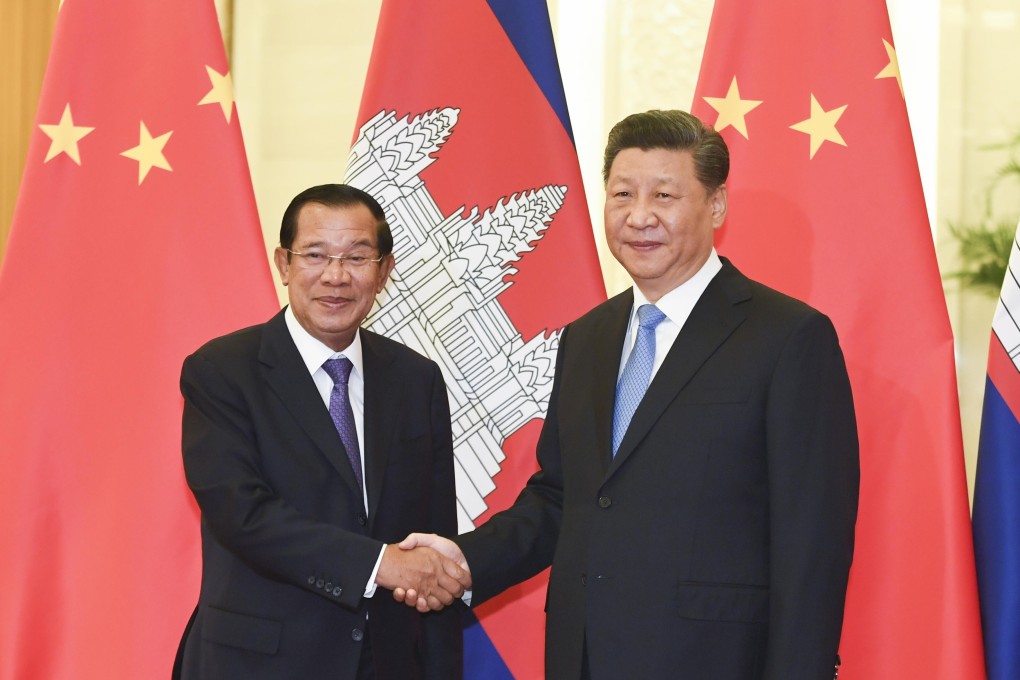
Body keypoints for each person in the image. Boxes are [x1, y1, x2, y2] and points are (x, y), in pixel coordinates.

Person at [398, 110, 860, 679]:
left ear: (716, 205)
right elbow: (563, 497)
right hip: (584, 656)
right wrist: (466, 560)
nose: (639, 216)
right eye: (622, 194)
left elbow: (811, 538)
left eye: (664, 195)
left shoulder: (787, 337)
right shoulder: (587, 337)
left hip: (715, 662)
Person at [173, 184, 468, 680]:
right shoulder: (221, 372)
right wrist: (378, 564)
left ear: (384, 272)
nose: (336, 276)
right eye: (315, 255)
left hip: (388, 662)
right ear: (284, 264)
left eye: (357, 257)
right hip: (256, 664)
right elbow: (243, 515)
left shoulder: (416, 379)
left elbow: (432, 535)